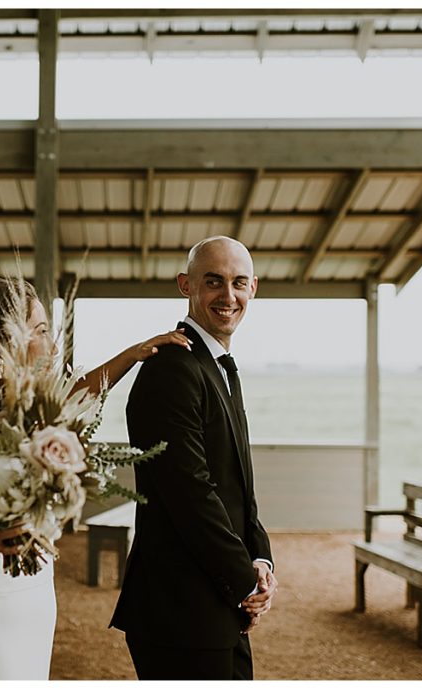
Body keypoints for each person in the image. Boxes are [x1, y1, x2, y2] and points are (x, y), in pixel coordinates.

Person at [0, 276, 190, 680]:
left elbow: (78, 394)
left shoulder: (29, 414)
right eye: (42, 331)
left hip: (35, 616)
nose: (51, 345)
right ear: (3, 339)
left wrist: (134, 354)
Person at [110, 236, 277, 680]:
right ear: (186, 285)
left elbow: (237, 481)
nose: (229, 296)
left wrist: (261, 559)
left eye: (239, 283)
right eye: (214, 281)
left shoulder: (216, 364)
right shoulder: (172, 368)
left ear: (254, 288)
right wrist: (244, 582)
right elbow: (190, 492)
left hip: (217, 607)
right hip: (179, 612)